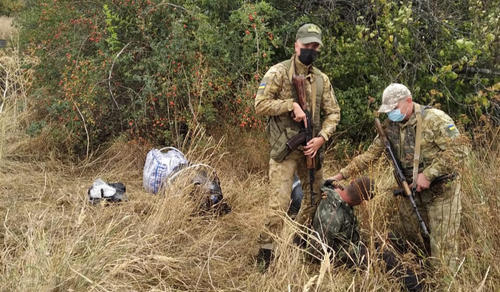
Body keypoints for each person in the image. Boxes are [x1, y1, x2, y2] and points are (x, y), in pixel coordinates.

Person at [330, 83, 468, 272]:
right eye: (388, 111)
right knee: (412, 242)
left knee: (443, 250)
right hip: (410, 193)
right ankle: (420, 278)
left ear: (408, 101)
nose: (390, 114)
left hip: (441, 193)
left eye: (394, 109)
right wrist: (342, 174)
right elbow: (370, 155)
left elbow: (460, 150)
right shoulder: (390, 126)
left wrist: (428, 175)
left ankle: (445, 282)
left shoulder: (435, 119)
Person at [254, 23, 341, 266]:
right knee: (279, 205)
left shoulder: (322, 80)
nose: (310, 50)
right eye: (307, 45)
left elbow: (334, 113)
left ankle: (299, 240)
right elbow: (259, 105)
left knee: (314, 198)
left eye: (315, 46)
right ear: (296, 45)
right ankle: (266, 253)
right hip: (285, 148)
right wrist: (289, 105)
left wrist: (322, 137)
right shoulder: (278, 73)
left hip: (311, 148)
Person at [312, 177, 423, 291]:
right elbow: (318, 250)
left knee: (390, 237)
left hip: (352, 243)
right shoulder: (333, 215)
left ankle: (420, 263)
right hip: (340, 255)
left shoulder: (337, 191)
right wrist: (354, 253)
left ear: (351, 182)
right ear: (362, 201)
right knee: (384, 256)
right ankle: (417, 287)